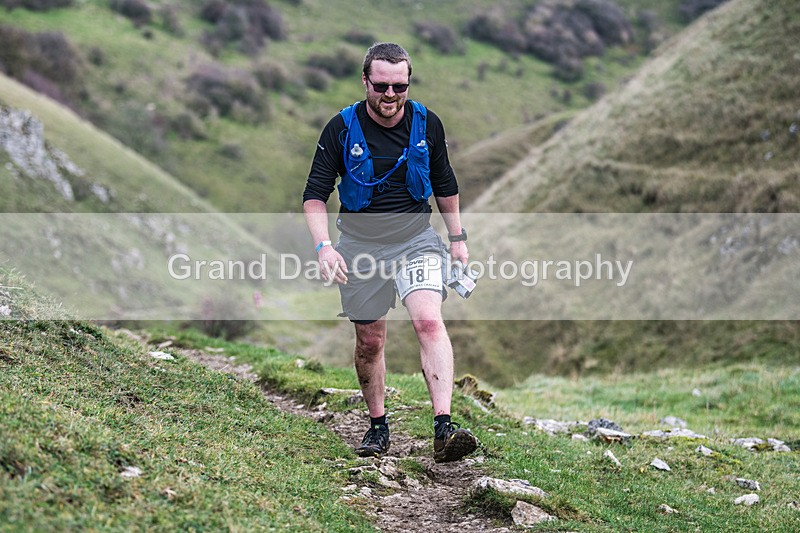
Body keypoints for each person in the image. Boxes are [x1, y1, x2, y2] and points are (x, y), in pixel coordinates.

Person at [302, 42, 478, 463]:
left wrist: (457, 239)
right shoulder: (341, 129)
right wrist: (324, 247)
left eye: (400, 86)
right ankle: (378, 426)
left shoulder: (427, 124)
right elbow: (314, 196)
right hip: (360, 246)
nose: (390, 95)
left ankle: (443, 427)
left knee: (429, 322)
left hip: (416, 240)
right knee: (370, 340)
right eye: (381, 85)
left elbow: (445, 183)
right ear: (366, 81)